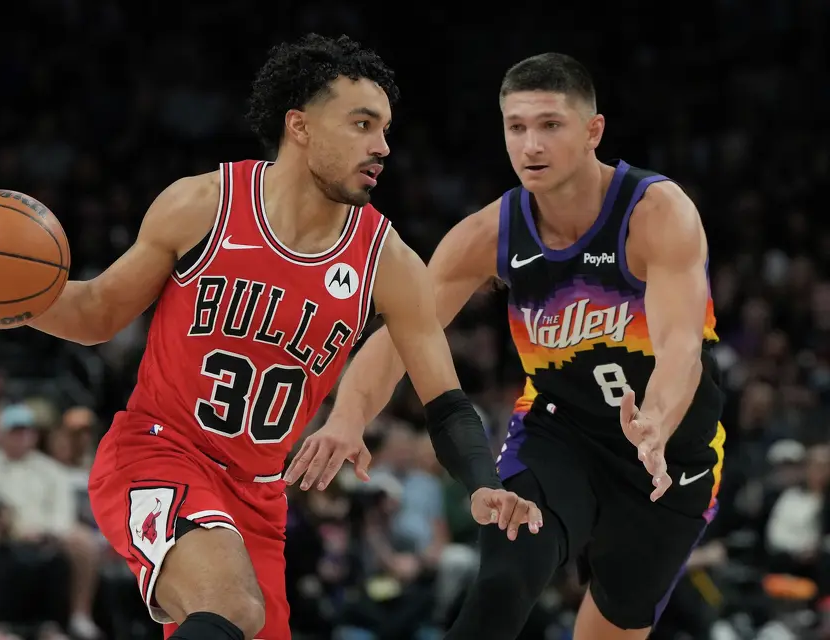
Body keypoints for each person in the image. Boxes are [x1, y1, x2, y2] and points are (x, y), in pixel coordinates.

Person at [0, 34, 543, 640]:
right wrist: (8, 302)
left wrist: (485, 483)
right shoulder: (204, 204)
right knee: (232, 605)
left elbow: (447, 402)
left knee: (235, 611)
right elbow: (96, 315)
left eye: (384, 128)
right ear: (299, 126)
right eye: (360, 124)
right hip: (158, 453)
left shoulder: (389, 263)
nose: (381, 145)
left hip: (258, 499)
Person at [286, 52, 727, 639]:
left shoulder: (656, 212)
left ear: (593, 130)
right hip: (559, 432)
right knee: (502, 580)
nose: (530, 145)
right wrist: (348, 416)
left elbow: (680, 347)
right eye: (516, 127)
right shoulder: (489, 232)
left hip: (670, 454)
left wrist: (656, 419)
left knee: (611, 630)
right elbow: (403, 335)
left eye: (550, 125)